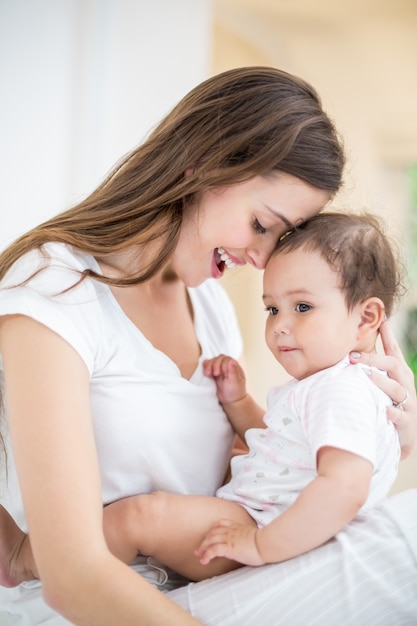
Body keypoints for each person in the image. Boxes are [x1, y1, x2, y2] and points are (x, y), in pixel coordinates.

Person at [0, 67, 415, 626]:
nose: (265, 259)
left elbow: (248, 480)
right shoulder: (56, 289)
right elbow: (73, 577)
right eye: (262, 224)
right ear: (209, 165)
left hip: (208, 582)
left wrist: (377, 434)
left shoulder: (211, 311)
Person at [3, 211, 404, 584]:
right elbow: (284, 450)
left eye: (302, 307)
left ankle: (24, 558)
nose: (280, 326)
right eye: (271, 309)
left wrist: (261, 544)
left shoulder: (341, 390)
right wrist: (238, 401)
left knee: (140, 517)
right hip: (261, 521)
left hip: (264, 526)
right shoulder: (329, 386)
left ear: (367, 317)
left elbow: (346, 486)